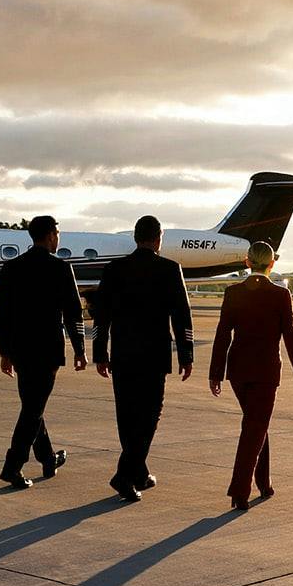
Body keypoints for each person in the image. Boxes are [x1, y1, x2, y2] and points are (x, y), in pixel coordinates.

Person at [91, 215, 194, 501]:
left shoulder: (115, 269)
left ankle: (138, 473)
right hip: (154, 354)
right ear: (158, 238)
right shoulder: (170, 269)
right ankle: (124, 475)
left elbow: (102, 315)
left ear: (135, 237)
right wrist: (186, 354)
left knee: (126, 416)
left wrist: (99, 352)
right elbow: (181, 316)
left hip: (123, 353)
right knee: (149, 416)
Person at [208, 240, 293, 509]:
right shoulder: (280, 295)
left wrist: (215, 373)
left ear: (247, 262)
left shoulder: (233, 292)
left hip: (238, 370)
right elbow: (290, 334)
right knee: (255, 426)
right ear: (272, 263)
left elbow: (222, 335)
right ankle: (239, 490)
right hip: (265, 371)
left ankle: (264, 483)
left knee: (255, 424)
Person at [0, 214, 86, 489]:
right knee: (33, 409)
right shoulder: (60, 268)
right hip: (47, 350)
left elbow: (4, 314)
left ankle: (48, 458)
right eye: (57, 233)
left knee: (33, 405)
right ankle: (12, 466)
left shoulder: (11, 268)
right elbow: (73, 313)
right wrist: (80, 349)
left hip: (20, 348)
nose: (58, 239)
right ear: (49, 236)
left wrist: (4, 351)